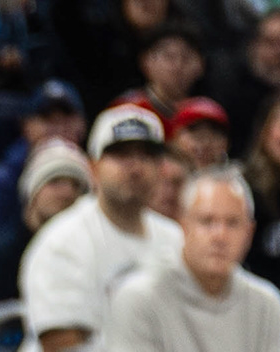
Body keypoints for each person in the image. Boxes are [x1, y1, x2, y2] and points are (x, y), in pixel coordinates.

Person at [16, 103, 182, 352]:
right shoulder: (62, 243)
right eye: (121, 155)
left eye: (146, 155)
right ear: (93, 168)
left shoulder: (176, 240)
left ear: (161, 169)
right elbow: (61, 345)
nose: (135, 167)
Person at [102, 167, 280, 352]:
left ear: (249, 233)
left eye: (232, 223)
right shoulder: (139, 298)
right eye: (207, 221)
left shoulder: (267, 305)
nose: (220, 236)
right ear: (183, 225)